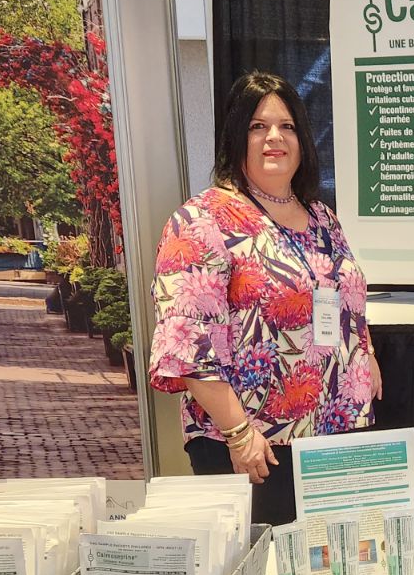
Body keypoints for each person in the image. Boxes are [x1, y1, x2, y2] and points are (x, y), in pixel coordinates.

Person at [149, 71, 382, 525]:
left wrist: (365, 351)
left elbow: (339, 293)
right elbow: (187, 341)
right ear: (237, 137)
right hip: (255, 450)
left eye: (287, 126)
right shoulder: (201, 220)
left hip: (333, 440)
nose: (274, 137)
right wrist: (239, 433)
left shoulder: (321, 217)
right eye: (258, 126)